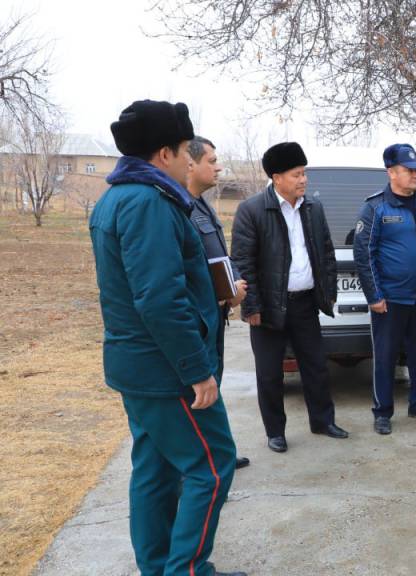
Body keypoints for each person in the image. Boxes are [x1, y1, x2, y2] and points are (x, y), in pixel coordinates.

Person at [90, 100, 245, 576]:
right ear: (164, 154)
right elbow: (159, 299)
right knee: (212, 465)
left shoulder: (117, 198)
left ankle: (158, 567)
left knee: (156, 471)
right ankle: (186, 571)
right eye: (183, 150)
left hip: (141, 367)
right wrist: (197, 369)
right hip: (166, 370)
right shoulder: (150, 203)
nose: (188, 158)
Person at [231, 142, 347, 453]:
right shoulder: (252, 210)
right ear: (277, 177)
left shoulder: (313, 208)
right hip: (268, 308)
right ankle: (275, 432)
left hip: (305, 303)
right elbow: (242, 262)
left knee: (316, 367)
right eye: (297, 174)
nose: (303, 180)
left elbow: (326, 252)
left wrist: (328, 292)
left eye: (304, 173)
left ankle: (323, 421)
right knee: (269, 374)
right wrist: (251, 306)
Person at [352, 143, 416, 435]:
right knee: (385, 357)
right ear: (391, 172)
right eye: (408, 170)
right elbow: (365, 254)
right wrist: (374, 295)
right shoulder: (375, 207)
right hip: (390, 299)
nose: (414, 175)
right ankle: (382, 412)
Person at [186, 135, 251, 470]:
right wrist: (223, 291)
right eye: (211, 161)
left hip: (216, 313)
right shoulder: (179, 209)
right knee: (201, 390)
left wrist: (233, 287)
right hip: (199, 317)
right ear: (190, 163)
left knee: (215, 383)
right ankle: (204, 461)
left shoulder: (201, 205)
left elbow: (220, 258)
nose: (219, 167)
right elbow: (188, 273)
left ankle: (217, 451)